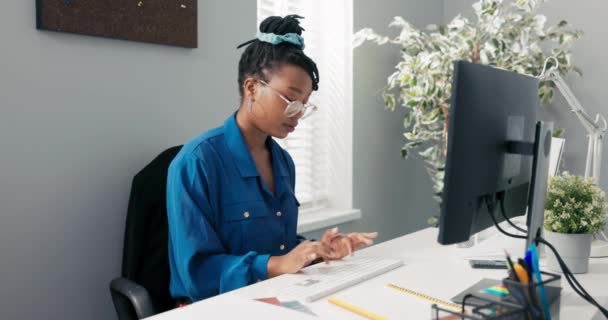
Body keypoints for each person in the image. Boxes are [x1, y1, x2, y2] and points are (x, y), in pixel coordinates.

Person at [166, 14, 378, 303]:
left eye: (304, 105)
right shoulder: (196, 163)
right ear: (252, 88)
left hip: (276, 297)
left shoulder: (282, 162)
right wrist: (275, 265)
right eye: (291, 101)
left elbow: (280, 247)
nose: (298, 115)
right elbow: (197, 274)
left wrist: (318, 250)